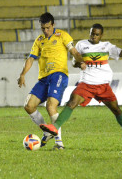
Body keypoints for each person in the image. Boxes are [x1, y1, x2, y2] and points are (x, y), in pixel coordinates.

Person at [40, 23, 122, 147]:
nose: (94, 36)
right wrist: (80, 64)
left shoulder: (107, 46)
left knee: (116, 110)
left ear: (101, 35)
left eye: (97, 34)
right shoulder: (81, 45)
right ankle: (54, 127)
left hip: (103, 84)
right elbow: (75, 62)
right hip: (86, 83)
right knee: (72, 102)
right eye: (92, 33)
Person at [17, 12, 86, 150]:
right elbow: (31, 58)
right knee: (28, 105)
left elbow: (73, 51)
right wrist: (23, 74)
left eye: (48, 28)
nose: (46, 31)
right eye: (43, 28)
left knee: (50, 106)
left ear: (53, 25)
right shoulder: (39, 40)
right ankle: (47, 132)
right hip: (43, 78)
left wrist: (82, 62)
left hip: (59, 75)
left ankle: (59, 143)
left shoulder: (62, 35)